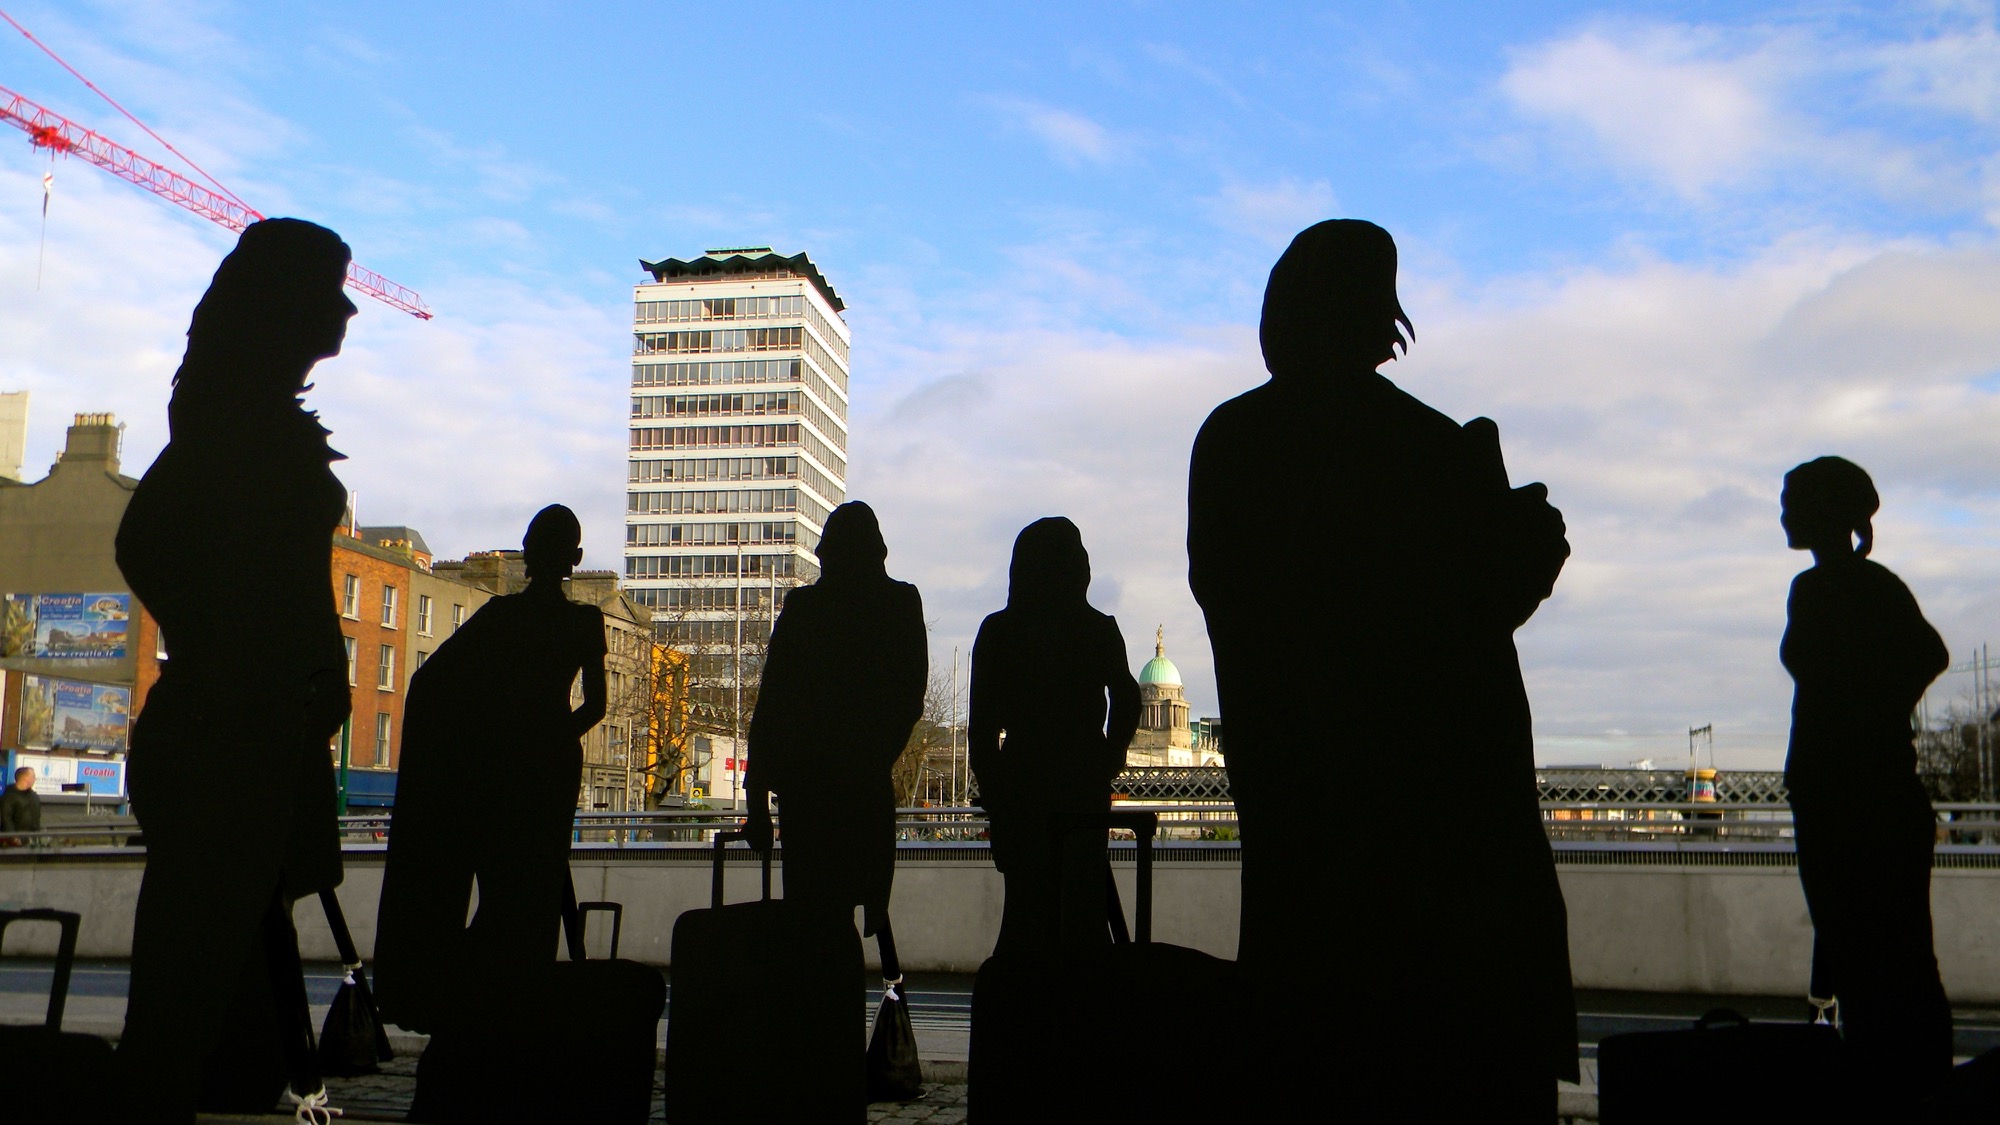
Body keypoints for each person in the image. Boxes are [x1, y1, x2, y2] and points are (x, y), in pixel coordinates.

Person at [1187, 219, 1575, 1117]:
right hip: (1442, 829)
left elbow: (1249, 608)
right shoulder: (1434, 447)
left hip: (1304, 813)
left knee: (1317, 1051)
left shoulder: (1234, 439)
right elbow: (1465, 623)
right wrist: (1524, 548)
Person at [113, 218, 357, 1121]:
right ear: (282, 304)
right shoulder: (240, 431)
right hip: (235, 735)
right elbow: (145, 541)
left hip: (249, 730)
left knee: (217, 996)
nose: (348, 307)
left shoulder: (235, 423)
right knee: (193, 994)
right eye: (331, 288)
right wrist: (241, 654)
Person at [376, 505, 660, 1123]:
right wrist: (552, 737)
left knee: (510, 891)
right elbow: (595, 706)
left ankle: (483, 1026)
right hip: (546, 767)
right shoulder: (583, 621)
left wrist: (493, 740)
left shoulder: (501, 617)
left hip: (504, 767)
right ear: (575, 559)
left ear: (529, 553)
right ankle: (507, 1027)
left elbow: (435, 686)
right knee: (529, 893)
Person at [1780, 456, 1952, 1108]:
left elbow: (1925, 654)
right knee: (1893, 964)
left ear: (1826, 510)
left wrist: (1866, 718)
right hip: (1855, 791)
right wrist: (1880, 714)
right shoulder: (1850, 584)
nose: (1784, 513)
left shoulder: (1827, 587)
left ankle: (1900, 1095)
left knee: (1876, 965)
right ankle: (1914, 1092)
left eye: (1793, 500)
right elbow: (1926, 654)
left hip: (1848, 798)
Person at [743, 501, 927, 967]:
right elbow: (909, 697)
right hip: (861, 787)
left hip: (809, 791)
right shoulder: (900, 603)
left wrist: (757, 798)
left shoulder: (805, 609)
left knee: (811, 924)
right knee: (853, 914)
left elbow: (773, 705)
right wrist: (873, 757)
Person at [969, 517, 1140, 956]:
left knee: (1025, 914)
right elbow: (1127, 697)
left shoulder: (998, 631)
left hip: (1022, 780)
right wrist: (1110, 755)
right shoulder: (1098, 628)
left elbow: (981, 728)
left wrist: (995, 794)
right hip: (1081, 779)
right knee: (1082, 913)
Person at [0, 767, 41, 846]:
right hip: (13, 841)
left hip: (32, 838)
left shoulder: (34, 796)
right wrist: (13, 837)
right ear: (25, 778)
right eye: (33, 776)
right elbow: (6, 818)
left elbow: (37, 816)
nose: (35, 779)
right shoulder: (9, 796)